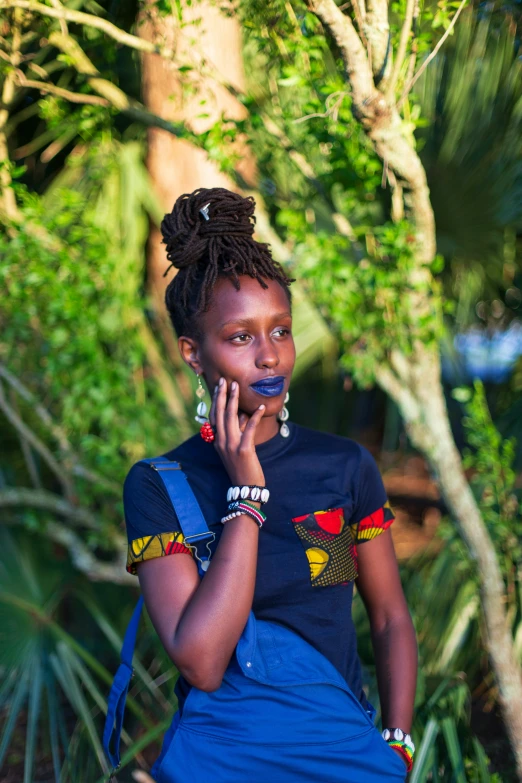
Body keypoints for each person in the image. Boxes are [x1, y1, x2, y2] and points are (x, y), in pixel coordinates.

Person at [123, 187, 418, 782]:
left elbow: (388, 617)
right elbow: (202, 662)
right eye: (240, 337)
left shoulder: (344, 468)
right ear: (193, 353)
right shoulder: (159, 486)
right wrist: (246, 494)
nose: (269, 357)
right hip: (225, 761)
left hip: (342, 752)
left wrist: (398, 744)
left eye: (280, 331)